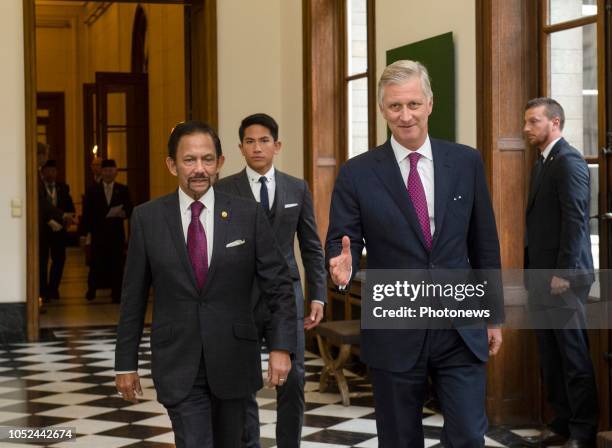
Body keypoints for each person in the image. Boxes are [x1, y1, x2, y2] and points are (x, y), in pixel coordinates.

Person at [325, 60, 503, 448]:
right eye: (394, 106)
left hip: (459, 325)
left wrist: (493, 314)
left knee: (469, 436)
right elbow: (343, 241)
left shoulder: (466, 161)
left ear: (430, 104)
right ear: (382, 110)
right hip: (396, 326)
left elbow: (484, 243)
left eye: (413, 104)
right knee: (400, 439)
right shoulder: (357, 173)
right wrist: (342, 267)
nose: (405, 116)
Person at [114, 121, 297, 448]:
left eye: (208, 159)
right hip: (178, 361)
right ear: (172, 165)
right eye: (189, 160)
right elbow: (133, 299)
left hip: (234, 358)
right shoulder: (148, 219)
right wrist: (125, 363)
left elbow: (279, 286)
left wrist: (281, 347)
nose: (199, 169)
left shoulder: (247, 214)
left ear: (221, 162)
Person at [216, 113, 327, 448]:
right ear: (240, 148)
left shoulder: (297, 187)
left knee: (293, 379)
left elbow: (310, 246)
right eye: (249, 141)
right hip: (240, 297)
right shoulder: (224, 189)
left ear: (277, 146)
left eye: (264, 140)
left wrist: (318, 295)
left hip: (286, 297)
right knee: (244, 380)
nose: (257, 147)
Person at [522, 98, 597, 448]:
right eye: (526, 122)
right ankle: (563, 423)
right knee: (551, 355)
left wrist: (563, 272)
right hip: (541, 278)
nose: (526, 128)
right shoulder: (543, 162)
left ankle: (583, 432)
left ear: (554, 122)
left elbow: (575, 221)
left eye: (533, 122)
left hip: (563, 279)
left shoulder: (569, 162)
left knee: (572, 356)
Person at [81, 159, 132, 302]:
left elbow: (129, 208)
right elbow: (87, 213)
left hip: (116, 233)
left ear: (116, 172)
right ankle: (91, 289)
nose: (108, 173)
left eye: (111, 170)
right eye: (106, 170)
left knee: (117, 263)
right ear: (101, 172)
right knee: (95, 263)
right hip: (99, 233)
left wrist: (124, 213)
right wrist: (84, 234)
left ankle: (117, 292)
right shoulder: (92, 190)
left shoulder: (122, 189)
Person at [38, 159, 75, 301]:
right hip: (43, 229)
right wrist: (49, 220)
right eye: (48, 170)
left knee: (59, 259)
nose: (51, 173)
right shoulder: (39, 187)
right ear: (42, 172)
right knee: (42, 261)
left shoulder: (63, 187)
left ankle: (53, 289)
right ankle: (42, 291)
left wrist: (67, 219)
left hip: (59, 230)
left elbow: (69, 207)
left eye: (54, 171)